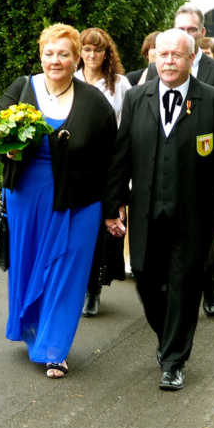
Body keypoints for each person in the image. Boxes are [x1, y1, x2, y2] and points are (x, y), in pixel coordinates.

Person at [104, 28, 214, 391]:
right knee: (147, 282)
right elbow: (121, 156)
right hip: (146, 211)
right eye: (162, 54)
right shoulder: (136, 98)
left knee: (184, 284)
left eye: (176, 55)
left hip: (195, 216)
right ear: (154, 57)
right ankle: (169, 337)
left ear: (191, 59)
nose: (168, 61)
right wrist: (113, 203)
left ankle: (174, 360)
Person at [0, 23, 117, 379]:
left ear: (77, 58)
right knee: (31, 265)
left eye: (64, 54)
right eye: (49, 53)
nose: (56, 60)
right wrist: (11, 153)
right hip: (26, 198)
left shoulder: (95, 103)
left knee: (66, 271)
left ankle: (54, 349)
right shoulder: (21, 89)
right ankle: (34, 331)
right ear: (40, 55)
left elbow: (111, 160)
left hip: (78, 201)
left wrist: (113, 209)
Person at [143, 5, 214, 317]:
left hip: (200, 188)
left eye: (191, 30)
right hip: (160, 188)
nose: (184, 34)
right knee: (158, 271)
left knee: (198, 259)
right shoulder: (152, 78)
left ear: (201, 35)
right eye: (179, 28)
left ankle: (208, 286)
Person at [74, 27, 133, 317]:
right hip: (74, 168)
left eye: (97, 50)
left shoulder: (119, 85)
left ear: (106, 54)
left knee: (100, 230)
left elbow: (127, 126)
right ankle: (76, 285)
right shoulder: (70, 81)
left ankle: (93, 289)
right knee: (75, 229)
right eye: (86, 50)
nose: (92, 55)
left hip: (108, 167)